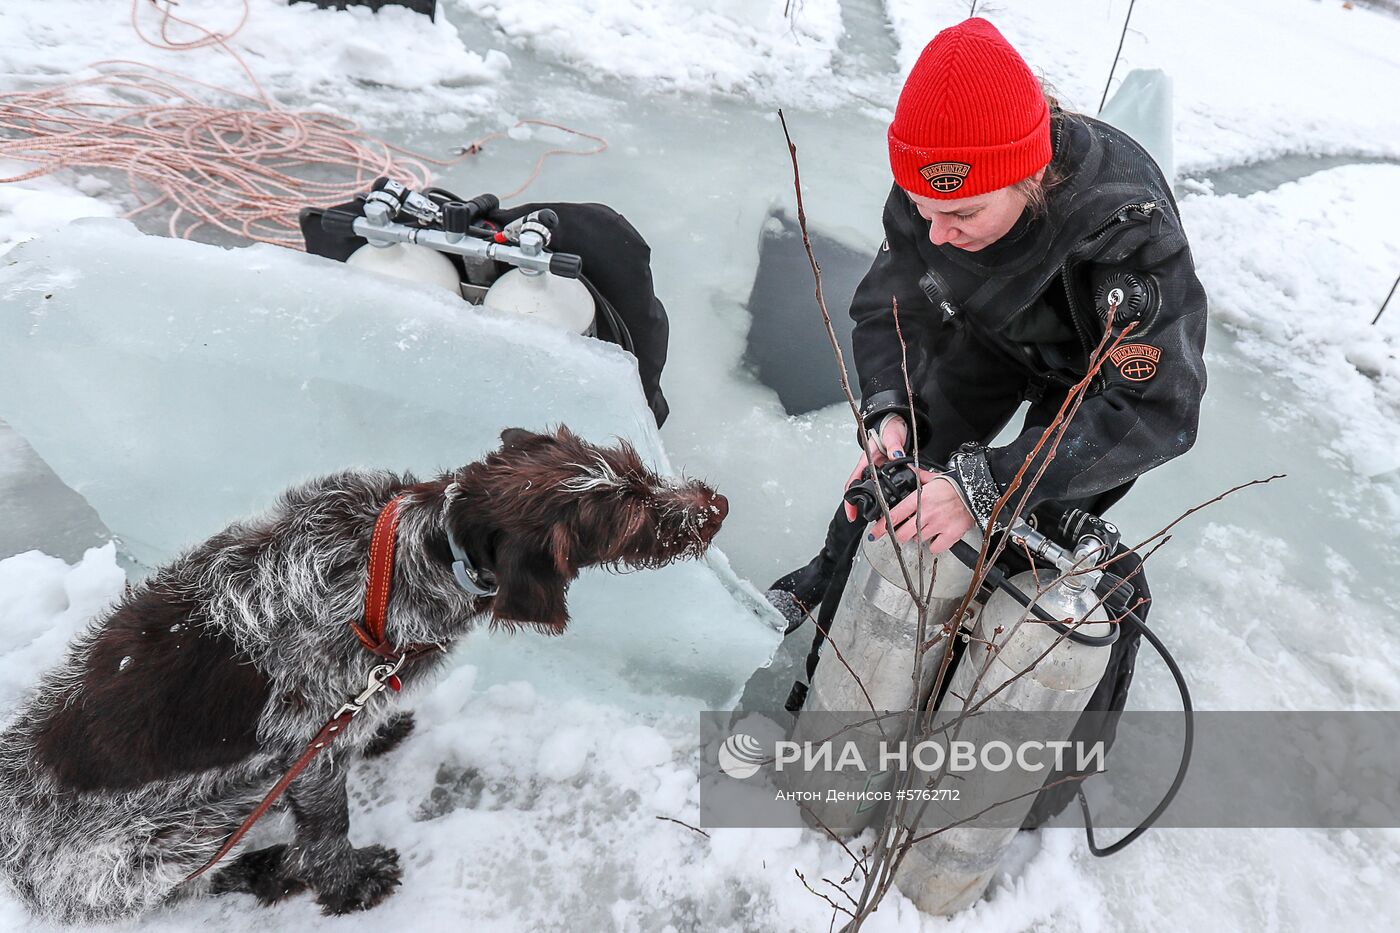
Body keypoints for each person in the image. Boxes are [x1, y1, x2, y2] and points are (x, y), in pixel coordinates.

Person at [766, 17, 1207, 822]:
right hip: (990, 331)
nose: (935, 232)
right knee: (899, 478)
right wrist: (888, 409)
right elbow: (889, 304)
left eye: (960, 215)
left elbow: (1157, 407)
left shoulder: (1125, 233)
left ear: (1026, 178)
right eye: (923, 209)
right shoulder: (936, 186)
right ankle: (830, 595)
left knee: (1002, 520)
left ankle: (958, 678)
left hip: (1090, 379)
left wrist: (989, 485)